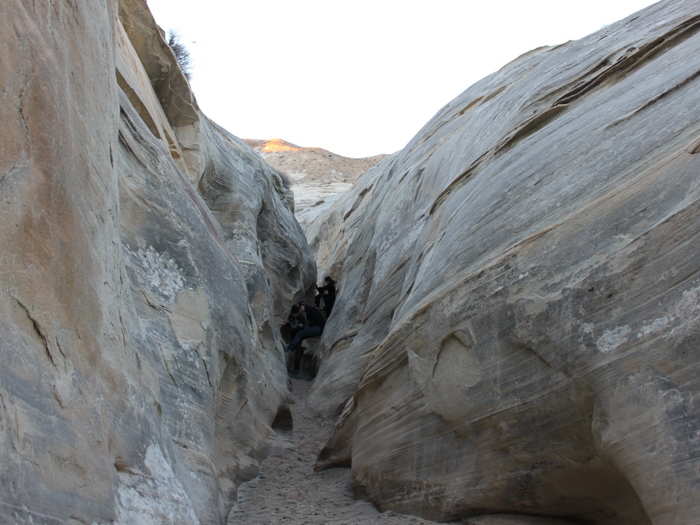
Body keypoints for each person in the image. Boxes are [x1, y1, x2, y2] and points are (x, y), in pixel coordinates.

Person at [286, 303, 325, 372]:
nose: (300, 311)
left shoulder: (309, 311)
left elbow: (311, 323)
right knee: (300, 338)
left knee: (299, 334)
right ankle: (296, 368)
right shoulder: (308, 310)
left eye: (300, 310)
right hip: (317, 328)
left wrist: (302, 327)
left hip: (318, 328)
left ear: (301, 307)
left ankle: (289, 348)